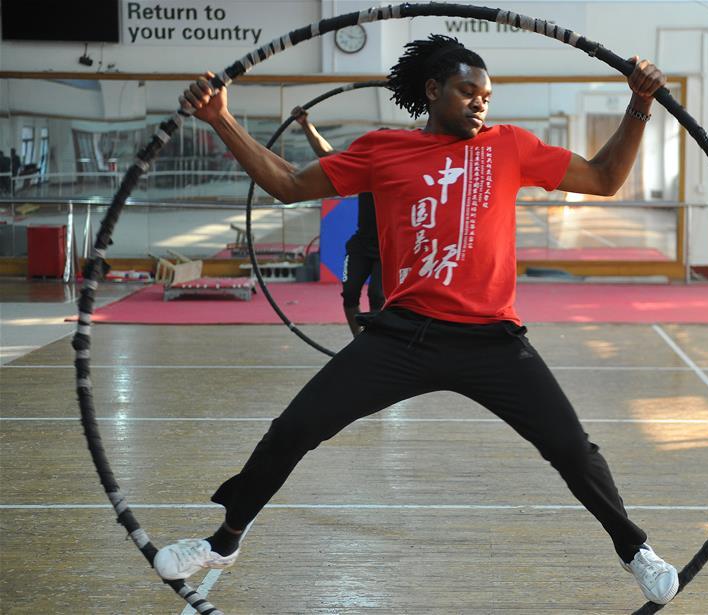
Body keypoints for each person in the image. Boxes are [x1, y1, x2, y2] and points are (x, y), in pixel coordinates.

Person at [157, 35, 678, 605]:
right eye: (466, 91)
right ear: (433, 91)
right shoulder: (384, 149)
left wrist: (639, 104)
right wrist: (220, 119)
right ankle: (225, 541)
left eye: (486, 95)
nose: (480, 103)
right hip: (405, 336)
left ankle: (636, 551)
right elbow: (286, 184)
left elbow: (605, 179)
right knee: (294, 429)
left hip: (493, 340)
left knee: (573, 450)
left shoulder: (511, 146)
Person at [292, 107, 384, 336]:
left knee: (378, 296)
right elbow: (328, 154)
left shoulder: (404, 171)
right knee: (350, 293)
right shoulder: (365, 169)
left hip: (388, 249)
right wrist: (306, 125)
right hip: (362, 244)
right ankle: (359, 343)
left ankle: (378, 343)